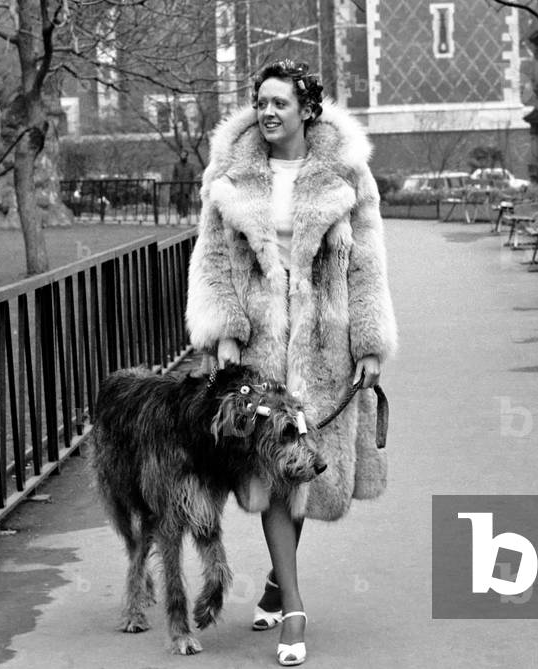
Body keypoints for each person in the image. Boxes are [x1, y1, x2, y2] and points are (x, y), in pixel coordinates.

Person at [184, 59, 397, 664]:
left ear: (308, 108)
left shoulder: (347, 171)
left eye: (280, 102)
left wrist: (371, 344)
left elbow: (367, 264)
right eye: (261, 102)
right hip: (258, 348)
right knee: (273, 468)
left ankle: (279, 583)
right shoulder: (230, 171)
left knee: (303, 467)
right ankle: (296, 607)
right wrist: (223, 331)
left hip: (324, 344)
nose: (267, 112)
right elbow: (211, 257)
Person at [171, 150, 197, 219]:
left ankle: (185, 213)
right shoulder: (176, 165)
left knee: (185, 200)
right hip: (178, 186)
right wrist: (173, 185)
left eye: (184, 155)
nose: (183, 156)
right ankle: (180, 212)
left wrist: (192, 185)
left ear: (187, 156)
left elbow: (193, 176)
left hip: (187, 186)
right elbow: (174, 176)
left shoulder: (191, 166)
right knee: (178, 199)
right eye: (182, 155)